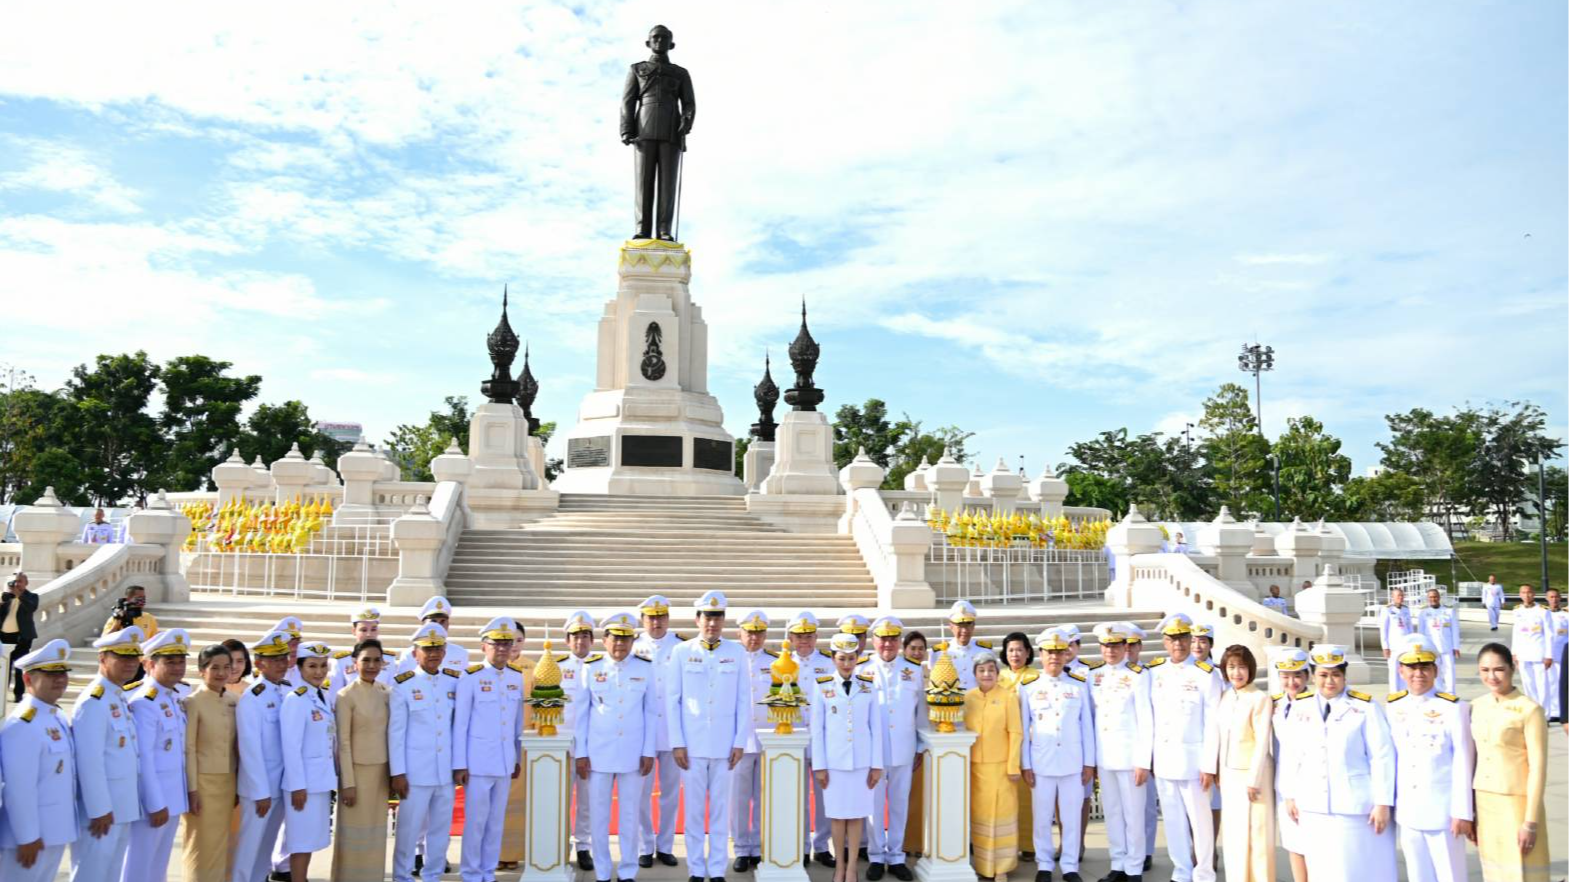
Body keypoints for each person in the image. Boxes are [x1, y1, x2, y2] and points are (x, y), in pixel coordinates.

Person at [1281, 644, 1397, 881]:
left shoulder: (1364, 707)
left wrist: (1383, 802)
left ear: (1344, 675)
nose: (1330, 681)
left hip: (1353, 805)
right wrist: (1290, 794)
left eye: (1336, 674)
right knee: (1321, 869)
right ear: (1313, 675)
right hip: (1313, 803)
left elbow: (1382, 755)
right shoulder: (1300, 706)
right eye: (1323, 674)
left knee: (1354, 869)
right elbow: (1292, 754)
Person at [666, 590, 750, 882]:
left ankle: (716, 869)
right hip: (692, 745)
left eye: (717, 618)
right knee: (693, 812)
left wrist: (740, 741)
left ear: (723, 620)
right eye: (707, 618)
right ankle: (696, 869)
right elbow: (672, 700)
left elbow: (743, 700)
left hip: (725, 744)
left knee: (720, 811)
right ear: (697, 620)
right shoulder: (681, 651)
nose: (712, 624)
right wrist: (677, 742)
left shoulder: (736, 652)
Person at [575, 611, 657, 882]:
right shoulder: (591, 667)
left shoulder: (645, 668)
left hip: (633, 754)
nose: (620, 645)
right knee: (599, 816)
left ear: (633, 641)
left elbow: (650, 712)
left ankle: (627, 871)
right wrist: (581, 753)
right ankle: (601, 872)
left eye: (626, 639)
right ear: (604, 639)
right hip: (598, 754)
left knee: (630, 816)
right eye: (615, 639)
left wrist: (648, 751)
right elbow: (582, 713)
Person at [1384, 633, 1472, 882]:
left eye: (1424, 667)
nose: (1418, 674)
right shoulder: (1393, 707)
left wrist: (1462, 811)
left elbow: (1463, 761)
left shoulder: (1454, 708)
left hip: (1443, 811)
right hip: (1409, 809)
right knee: (1417, 875)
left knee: (1450, 875)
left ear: (1436, 670)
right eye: (1412, 667)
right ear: (1401, 671)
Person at [1146, 613, 1220, 882]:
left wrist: (1209, 764)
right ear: (1165, 642)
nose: (1177, 643)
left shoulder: (1206, 674)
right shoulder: (1155, 673)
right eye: (1172, 638)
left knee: (1201, 824)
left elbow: (1213, 723)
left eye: (1182, 638)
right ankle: (1181, 871)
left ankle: (1203, 873)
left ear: (1190, 639)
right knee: (1174, 821)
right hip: (1165, 760)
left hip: (1194, 762)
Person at [1017, 627, 1094, 882]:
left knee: (1071, 817)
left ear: (1066, 654)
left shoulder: (1079, 685)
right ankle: (1045, 865)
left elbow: (1087, 728)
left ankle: (1070, 865)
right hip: (1042, 762)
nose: (1055, 657)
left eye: (1060, 652)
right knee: (1042, 817)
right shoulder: (1028, 687)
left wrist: (1089, 763)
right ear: (1041, 654)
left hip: (1072, 763)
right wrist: (1025, 765)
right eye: (1050, 652)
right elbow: (1022, 729)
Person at [69, 627, 144, 882]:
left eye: (133, 657)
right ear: (102, 659)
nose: (130, 664)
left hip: (121, 807)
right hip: (102, 811)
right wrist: (99, 809)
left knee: (110, 874)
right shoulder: (94, 701)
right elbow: (89, 761)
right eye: (122, 657)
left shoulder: (117, 695)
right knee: (91, 873)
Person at [0, 638, 78, 882]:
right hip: (29, 839)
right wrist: (27, 836)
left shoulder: (55, 716)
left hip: (54, 831)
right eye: (50, 674)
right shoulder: (22, 725)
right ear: (27, 679)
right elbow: (18, 789)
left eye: (63, 673)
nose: (60, 680)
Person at [1471, 642, 1550, 881]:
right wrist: (1469, 811)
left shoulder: (1529, 710)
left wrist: (1531, 821)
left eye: (1499, 669)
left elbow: (1538, 768)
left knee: (1522, 870)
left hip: (1517, 803)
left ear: (1512, 668)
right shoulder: (1476, 706)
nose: (1492, 676)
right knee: (1494, 870)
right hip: (1484, 800)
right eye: (1485, 670)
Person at [453, 617, 524, 882]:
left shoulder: (516, 678)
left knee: (496, 823)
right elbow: (460, 725)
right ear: (484, 646)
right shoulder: (470, 677)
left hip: (505, 762)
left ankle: (487, 871)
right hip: (478, 762)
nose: (503, 649)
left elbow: (516, 724)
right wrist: (460, 764)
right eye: (497, 644)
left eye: (508, 643)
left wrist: (516, 757)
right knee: (476, 822)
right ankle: (471, 873)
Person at [388, 622, 460, 882]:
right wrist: (398, 772)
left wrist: (458, 765)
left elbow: (456, 728)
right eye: (427, 649)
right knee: (408, 832)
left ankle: (433, 876)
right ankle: (402, 877)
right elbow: (396, 734)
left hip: (444, 772)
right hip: (415, 773)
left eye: (438, 648)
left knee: (440, 833)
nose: (433, 653)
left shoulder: (453, 682)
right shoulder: (403, 685)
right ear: (415, 652)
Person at [121, 629, 191, 882]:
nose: (177, 667)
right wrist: (154, 801)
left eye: (181, 660)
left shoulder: (173, 696)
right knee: (138, 866)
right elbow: (144, 758)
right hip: (153, 800)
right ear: (150, 664)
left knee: (157, 866)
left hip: (172, 795)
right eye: (169, 661)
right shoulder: (144, 702)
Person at [812, 632, 883, 882]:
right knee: (837, 816)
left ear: (857, 658)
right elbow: (817, 730)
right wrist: (819, 766)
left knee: (856, 816)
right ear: (833, 658)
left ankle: (852, 867)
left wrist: (877, 765)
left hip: (862, 763)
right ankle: (839, 865)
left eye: (851, 658)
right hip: (834, 764)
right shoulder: (821, 685)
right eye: (841, 658)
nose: (846, 663)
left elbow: (876, 728)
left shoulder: (867, 686)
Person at [1087, 621, 1152, 882]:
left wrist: (1143, 761)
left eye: (1115, 645)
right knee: (1112, 813)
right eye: (1106, 645)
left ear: (1126, 647)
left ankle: (1134, 867)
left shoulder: (1138, 675)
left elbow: (1145, 719)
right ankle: (1118, 863)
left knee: (1134, 815)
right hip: (1105, 755)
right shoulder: (1094, 676)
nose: (1110, 650)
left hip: (1130, 756)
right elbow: (1092, 719)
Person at [1203, 644, 1273, 882]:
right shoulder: (1225, 696)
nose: (1236, 673)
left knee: (1257, 836)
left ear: (1250, 669)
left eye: (1242, 667)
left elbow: (1262, 742)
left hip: (1253, 778)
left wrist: (1253, 780)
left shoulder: (1260, 698)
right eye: (1231, 667)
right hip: (1229, 777)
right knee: (1234, 836)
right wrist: (1218, 773)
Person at [864, 616, 923, 882]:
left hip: (903, 747)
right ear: (874, 640)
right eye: (882, 638)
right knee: (874, 806)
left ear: (899, 641)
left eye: (892, 638)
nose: (887, 644)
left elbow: (921, 711)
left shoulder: (914, 669)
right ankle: (876, 856)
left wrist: (920, 747)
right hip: (873, 752)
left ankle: (896, 855)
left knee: (899, 803)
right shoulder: (861, 669)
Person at [232, 630, 292, 882]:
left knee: (265, 851)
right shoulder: (252, 698)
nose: (282, 664)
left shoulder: (287, 691)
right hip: (260, 788)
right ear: (259, 664)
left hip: (280, 784)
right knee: (248, 850)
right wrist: (260, 790)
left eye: (284, 658)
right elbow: (249, 748)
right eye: (274, 659)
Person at [332, 638, 391, 881]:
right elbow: (343, 742)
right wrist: (348, 783)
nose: (371, 665)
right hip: (356, 773)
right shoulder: (346, 695)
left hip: (380, 774)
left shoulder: (386, 693)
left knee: (376, 836)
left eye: (377, 660)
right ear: (354, 663)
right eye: (366, 660)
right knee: (353, 835)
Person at [632, 594, 683, 870]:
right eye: (651, 617)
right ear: (643, 620)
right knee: (642, 792)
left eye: (661, 616)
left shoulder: (682, 645)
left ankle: (665, 845)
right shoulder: (633, 646)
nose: (656, 622)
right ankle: (644, 846)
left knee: (671, 792)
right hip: (643, 733)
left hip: (673, 731)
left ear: (668, 618)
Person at [279, 641, 336, 880]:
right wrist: (297, 786)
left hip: (320, 781)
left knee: (310, 839)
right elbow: (291, 747)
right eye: (312, 666)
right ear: (300, 668)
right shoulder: (296, 699)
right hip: (304, 785)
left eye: (323, 666)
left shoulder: (320, 695)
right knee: (300, 841)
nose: (319, 672)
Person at [963, 650, 1021, 881]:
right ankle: (984, 865)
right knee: (981, 818)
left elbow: (1016, 733)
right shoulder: (968, 698)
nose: (986, 674)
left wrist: (1013, 765)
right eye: (981, 670)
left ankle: (1002, 867)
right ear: (975, 674)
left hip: (1001, 767)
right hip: (975, 768)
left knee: (1003, 815)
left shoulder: (1008, 697)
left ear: (997, 673)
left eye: (990, 670)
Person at [183, 643, 238, 882]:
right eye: (214, 667)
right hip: (203, 785)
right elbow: (189, 748)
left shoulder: (233, 700)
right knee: (199, 846)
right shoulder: (193, 701)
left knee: (221, 845)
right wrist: (192, 789)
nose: (221, 673)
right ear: (201, 670)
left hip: (228, 783)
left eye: (226, 667)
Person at [788, 610, 835, 866]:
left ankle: (822, 845)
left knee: (823, 793)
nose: (804, 640)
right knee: (799, 797)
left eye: (808, 635)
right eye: (799, 636)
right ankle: (802, 846)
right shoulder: (782, 662)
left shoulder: (828, 663)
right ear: (791, 638)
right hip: (793, 738)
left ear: (816, 637)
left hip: (823, 739)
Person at [730, 609, 773, 873]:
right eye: (749, 632)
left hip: (767, 739)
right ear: (739, 634)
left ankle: (757, 846)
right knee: (739, 797)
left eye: (759, 633)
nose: (754, 638)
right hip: (739, 740)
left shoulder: (777, 661)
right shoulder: (730, 660)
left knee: (762, 796)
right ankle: (740, 848)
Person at [555, 610, 598, 870]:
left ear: (592, 640)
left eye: (585, 636)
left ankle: (584, 846)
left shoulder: (600, 667)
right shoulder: (555, 667)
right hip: (561, 745)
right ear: (567, 640)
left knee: (587, 801)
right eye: (575, 636)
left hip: (592, 746)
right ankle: (560, 845)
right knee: (560, 800)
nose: (580, 641)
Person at [1268, 648, 1312, 882]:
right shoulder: (1275, 704)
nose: (1291, 682)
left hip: (1308, 784)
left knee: (1312, 842)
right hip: (1283, 783)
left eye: (1297, 675)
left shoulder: (1316, 705)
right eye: (1285, 675)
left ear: (1307, 676)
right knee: (1292, 842)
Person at [498, 616, 538, 872]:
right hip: (495, 742)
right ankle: (494, 851)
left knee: (517, 800)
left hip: (522, 744)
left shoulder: (533, 669)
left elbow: (538, 706)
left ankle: (513, 852)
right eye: (510, 640)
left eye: (519, 640)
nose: (514, 645)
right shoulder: (491, 669)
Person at [1124, 624, 1157, 874]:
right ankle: (1127, 852)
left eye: (1133, 645)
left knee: (1146, 805)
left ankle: (1146, 851)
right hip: (1122, 751)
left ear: (1139, 648)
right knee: (1123, 807)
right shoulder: (1109, 674)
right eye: (1124, 645)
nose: (1128, 649)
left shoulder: (1150, 673)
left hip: (1148, 749)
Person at [901, 630, 929, 861]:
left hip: (924, 743)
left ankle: (915, 843)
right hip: (900, 743)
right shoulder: (904, 672)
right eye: (913, 648)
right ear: (905, 650)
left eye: (921, 649)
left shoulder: (929, 673)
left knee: (917, 797)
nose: (917, 652)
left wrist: (921, 746)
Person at [395, 597, 470, 674]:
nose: (438, 625)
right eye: (433, 621)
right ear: (423, 624)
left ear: (448, 623)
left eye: (443, 621)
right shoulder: (409, 654)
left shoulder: (460, 653)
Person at [328, 607, 390, 699]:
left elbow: (393, 695)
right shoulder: (342, 661)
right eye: (363, 630)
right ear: (354, 631)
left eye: (373, 629)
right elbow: (335, 697)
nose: (369, 634)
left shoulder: (389, 660)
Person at [1510, 584, 1554, 707]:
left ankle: (1545, 715)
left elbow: (1549, 634)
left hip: (1539, 653)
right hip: (1523, 654)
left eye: (1529, 592)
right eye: (1523, 593)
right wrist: (1514, 653)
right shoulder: (1517, 610)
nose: (1526, 595)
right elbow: (1516, 632)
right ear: (1520, 595)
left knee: (1542, 686)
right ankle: (1533, 712)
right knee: (1528, 684)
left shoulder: (1543, 611)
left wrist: (1549, 655)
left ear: (1534, 594)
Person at [1, 569, 38, 703]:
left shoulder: (32, 596)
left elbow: (31, 608)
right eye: (15, 581)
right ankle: (1, 693)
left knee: (19, 667)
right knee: (3, 666)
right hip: (4, 637)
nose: (17, 584)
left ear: (26, 583)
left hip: (22, 637)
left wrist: (19, 595)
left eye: (20, 581)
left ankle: (18, 695)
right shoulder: (7, 596)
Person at [935, 600, 989, 691]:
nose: (964, 630)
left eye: (968, 624)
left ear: (973, 626)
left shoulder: (985, 651)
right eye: (960, 625)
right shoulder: (939, 652)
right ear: (951, 626)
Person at [1417, 587, 1463, 694]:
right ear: (1428, 599)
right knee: (1434, 673)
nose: (1433, 599)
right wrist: (1421, 648)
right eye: (1431, 597)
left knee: (1449, 672)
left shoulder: (1449, 611)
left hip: (1447, 647)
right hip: (1431, 649)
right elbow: (1421, 633)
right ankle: (1439, 692)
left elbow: (1455, 630)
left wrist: (1456, 647)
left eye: (1435, 597)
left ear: (1439, 597)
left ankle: (1451, 693)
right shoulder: (1424, 613)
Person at [1378, 588, 1413, 692]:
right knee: (1393, 671)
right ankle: (1394, 693)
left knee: (1405, 670)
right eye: (1398, 596)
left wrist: (1411, 643)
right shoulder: (1387, 609)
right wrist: (1385, 647)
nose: (1401, 598)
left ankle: (1404, 691)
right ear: (1393, 597)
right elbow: (1383, 629)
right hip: (1393, 646)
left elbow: (1409, 627)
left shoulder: (1406, 609)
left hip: (1405, 646)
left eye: (1402, 596)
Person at [1546, 587, 1568, 723]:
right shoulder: (1543, 614)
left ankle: (1564, 710)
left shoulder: (1566, 615)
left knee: (1564, 683)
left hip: (1564, 655)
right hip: (1548, 655)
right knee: (1551, 683)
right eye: (1551, 597)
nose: (1554, 599)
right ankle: (1554, 711)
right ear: (1547, 599)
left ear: (1560, 598)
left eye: (1556, 597)